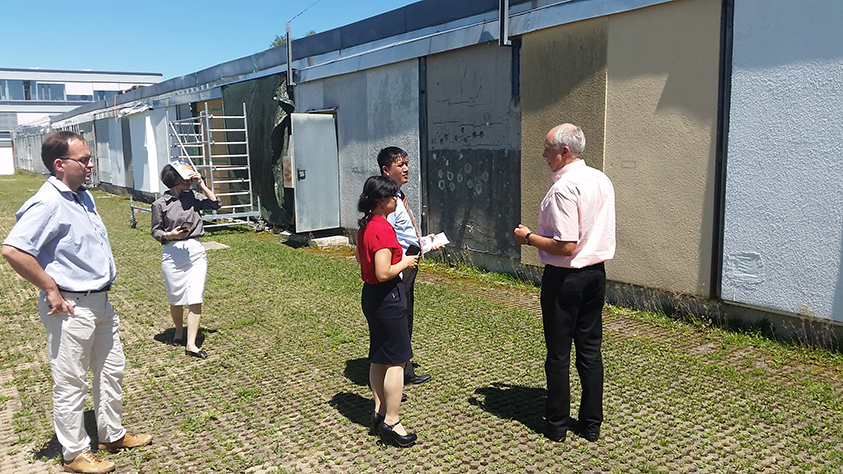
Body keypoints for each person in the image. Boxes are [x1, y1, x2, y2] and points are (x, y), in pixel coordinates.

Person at [2, 131, 151, 473]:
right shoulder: (48, 201)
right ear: (60, 164)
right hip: (70, 306)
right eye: (83, 160)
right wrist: (50, 289)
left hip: (99, 302)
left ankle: (111, 434)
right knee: (71, 381)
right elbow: (13, 250)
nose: (90, 165)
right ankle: (75, 454)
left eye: (88, 159)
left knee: (111, 370)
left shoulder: (81, 196)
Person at [513, 123, 616, 443]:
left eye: (547, 148)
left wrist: (528, 238)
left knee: (558, 353)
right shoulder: (601, 179)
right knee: (590, 350)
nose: (543, 154)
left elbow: (566, 245)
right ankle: (591, 424)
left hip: (566, 278)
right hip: (596, 274)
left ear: (564, 151)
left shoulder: (563, 189)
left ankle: (557, 425)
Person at [356, 175, 420, 447]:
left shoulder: (366, 225)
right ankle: (392, 421)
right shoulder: (382, 229)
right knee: (396, 359)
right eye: (394, 197)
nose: (397, 200)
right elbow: (383, 272)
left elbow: (363, 260)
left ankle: (379, 411)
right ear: (382, 202)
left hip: (372, 297)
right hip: (387, 297)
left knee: (379, 356)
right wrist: (405, 262)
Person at [150, 164, 221, 359]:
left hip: (195, 252)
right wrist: (169, 234)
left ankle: (191, 344)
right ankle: (179, 331)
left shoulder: (193, 197)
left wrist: (202, 184)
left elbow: (215, 204)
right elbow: (155, 230)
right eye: (186, 177)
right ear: (174, 180)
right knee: (176, 298)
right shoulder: (160, 204)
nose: (189, 180)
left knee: (195, 297)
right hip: (172, 254)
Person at [377, 147, 433, 385]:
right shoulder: (387, 202)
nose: (406, 169)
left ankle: (404, 368)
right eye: (400, 165)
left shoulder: (398, 196)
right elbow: (385, 236)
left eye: (406, 164)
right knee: (399, 316)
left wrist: (425, 244)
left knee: (406, 314)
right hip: (398, 265)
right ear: (386, 170)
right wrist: (397, 264)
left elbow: (403, 232)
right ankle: (396, 373)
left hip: (410, 259)